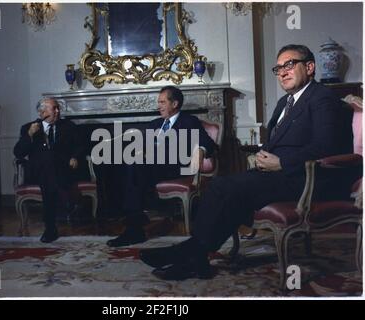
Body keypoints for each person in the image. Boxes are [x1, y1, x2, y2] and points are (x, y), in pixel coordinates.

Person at [139, 44, 360, 280]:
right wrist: (264, 155)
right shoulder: (285, 103)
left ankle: (189, 253)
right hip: (281, 175)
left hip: (309, 177)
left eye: (289, 65)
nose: (282, 72)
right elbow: (276, 141)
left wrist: (282, 162)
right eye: (278, 68)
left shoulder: (322, 98)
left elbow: (326, 146)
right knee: (219, 186)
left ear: (310, 67)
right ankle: (196, 256)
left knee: (226, 187)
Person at [106, 86, 217, 247]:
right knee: (119, 163)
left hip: (174, 166)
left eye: (162, 102)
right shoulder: (155, 124)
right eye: (158, 102)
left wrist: (200, 150)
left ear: (175, 103)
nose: (159, 106)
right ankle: (126, 217)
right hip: (151, 166)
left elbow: (209, 143)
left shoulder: (189, 121)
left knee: (135, 167)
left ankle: (133, 228)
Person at [14, 98, 85, 243]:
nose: (58, 111)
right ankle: (65, 201)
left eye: (58, 108)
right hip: (37, 173)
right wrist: (29, 135)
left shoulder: (68, 126)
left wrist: (75, 157)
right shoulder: (28, 128)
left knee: (51, 170)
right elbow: (18, 153)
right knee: (47, 160)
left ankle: (50, 228)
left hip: (63, 172)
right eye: (55, 108)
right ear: (43, 112)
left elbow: (81, 146)